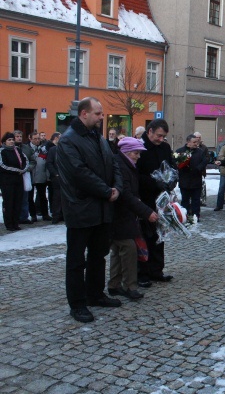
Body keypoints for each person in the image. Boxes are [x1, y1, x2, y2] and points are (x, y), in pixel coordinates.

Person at [56, 97, 123, 323]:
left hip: (103, 209)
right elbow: (79, 173)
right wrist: (107, 191)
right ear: (84, 114)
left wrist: (117, 188)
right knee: (76, 260)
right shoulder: (69, 140)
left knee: (98, 255)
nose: (102, 117)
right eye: (98, 113)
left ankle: (95, 294)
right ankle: (77, 304)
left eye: (102, 113)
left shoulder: (98, 137)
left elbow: (114, 164)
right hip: (81, 208)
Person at [109, 137, 159, 301]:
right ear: (127, 152)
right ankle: (130, 286)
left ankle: (114, 285)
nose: (138, 156)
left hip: (121, 215)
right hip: (121, 216)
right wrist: (146, 212)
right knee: (129, 249)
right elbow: (127, 196)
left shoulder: (125, 164)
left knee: (118, 250)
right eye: (136, 153)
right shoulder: (122, 167)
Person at [137, 118, 175, 285]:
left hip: (162, 198)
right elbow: (135, 174)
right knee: (144, 236)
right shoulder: (138, 146)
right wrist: (154, 182)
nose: (161, 139)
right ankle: (142, 274)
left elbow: (172, 167)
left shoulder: (165, 147)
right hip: (144, 198)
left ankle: (156, 270)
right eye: (159, 136)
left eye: (163, 136)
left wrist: (173, 180)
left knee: (159, 235)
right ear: (149, 131)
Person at [176, 134, 208, 221]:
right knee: (185, 200)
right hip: (184, 180)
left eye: (197, 142)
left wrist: (199, 168)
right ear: (188, 142)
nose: (196, 144)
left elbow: (205, 161)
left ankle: (195, 216)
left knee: (196, 201)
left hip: (196, 180)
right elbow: (175, 163)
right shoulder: (179, 151)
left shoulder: (200, 152)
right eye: (194, 142)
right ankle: (184, 216)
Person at [0, 132, 28, 231]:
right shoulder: (2, 152)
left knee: (18, 202)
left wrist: (23, 169)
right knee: (9, 202)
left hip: (18, 180)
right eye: (9, 140)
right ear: (4, 142)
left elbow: (25, 161)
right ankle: (9, 223)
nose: (11, 141)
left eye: (12, 139)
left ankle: (16, 222)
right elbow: (2, 165)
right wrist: (17, 170)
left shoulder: (18, 150)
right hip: (7, 181)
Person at [33, 134, 52, 221]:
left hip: (42, 175)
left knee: (42, 196)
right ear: (30, 139)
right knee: (31, 197)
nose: (37, 140)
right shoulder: (28, 148)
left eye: (38, 139)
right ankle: (33, 214)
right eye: (35, 139)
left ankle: (44, 214)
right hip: (33, 175)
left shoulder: (43, 149)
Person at [45, 133, 63, 224]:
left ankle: (63, 215)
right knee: (57, 197)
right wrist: (55, 174)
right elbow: (49, 163)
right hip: (56, 177)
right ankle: (56, 215)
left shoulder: (67, 149)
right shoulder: (53, 150)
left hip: (66, 177)